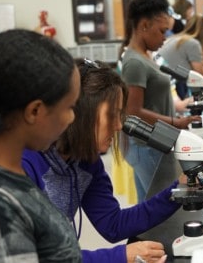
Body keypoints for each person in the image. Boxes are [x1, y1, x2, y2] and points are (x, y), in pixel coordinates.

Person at [22, 58, 178, 263]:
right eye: (112, 115)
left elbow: (113, 225)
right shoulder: (24, 164)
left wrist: (178, 192)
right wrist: (121, 256)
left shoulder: (85, 160)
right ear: (79, 114)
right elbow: (31, 257)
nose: (119, 126)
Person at [0, 29, 81, 262]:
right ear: (35, 111)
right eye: (70, 107)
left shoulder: (16, 178)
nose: (73, 118)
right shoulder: (0, 206)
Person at [120, 0, 201, 203]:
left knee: (147, 205)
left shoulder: (147, 57)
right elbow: (133, 111)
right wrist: (175, 122)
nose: (165, 38)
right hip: (145, 145)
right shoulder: (135, 63)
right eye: (162, 31)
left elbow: (153, 102)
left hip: (155, 141)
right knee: (161, 206)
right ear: (145, 25)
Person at [158, 14, 203, 100]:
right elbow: (199, 73)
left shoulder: (179, 38)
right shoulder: (192, 43)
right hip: (175, 83)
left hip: (165, 79)